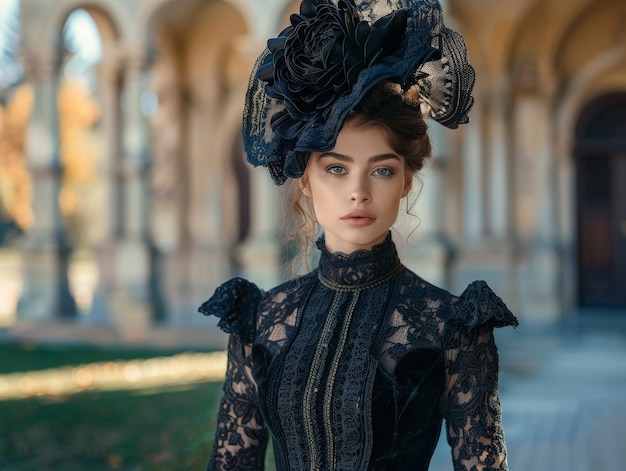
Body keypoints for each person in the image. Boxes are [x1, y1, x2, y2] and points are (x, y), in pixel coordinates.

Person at [199, 0, 518, 469]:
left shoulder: (453, 326)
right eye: (336, 169)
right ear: (305, 181)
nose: (358, 194)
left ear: (407, 181)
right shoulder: (259, 321)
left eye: (382, 170)